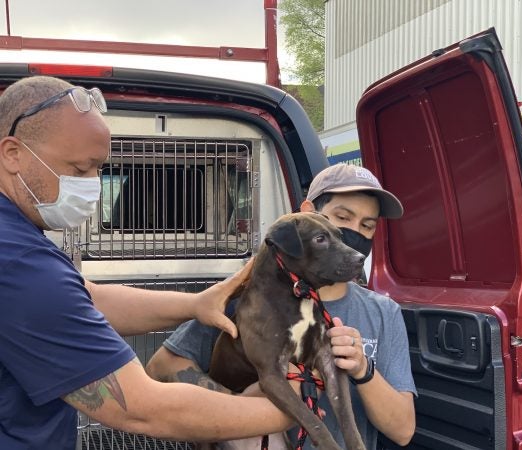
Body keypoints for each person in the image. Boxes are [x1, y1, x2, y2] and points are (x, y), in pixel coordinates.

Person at [0, 76, 301, 450]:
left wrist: (194, 304)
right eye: (79, 170)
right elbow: (142, 409)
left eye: (99, 169)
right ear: (13, 154)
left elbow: (83, 298)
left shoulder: (14, 237)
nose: (92, 186)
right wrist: (292, 410)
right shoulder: (19, 263)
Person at [146, 163, 417, 449]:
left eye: (367, 226)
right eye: (342, 217)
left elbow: (402, 430)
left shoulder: (382, 312)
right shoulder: (244, 295)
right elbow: (161, 367)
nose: (354, 233)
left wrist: (363, 369)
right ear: (308, 211)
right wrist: (238, 409)